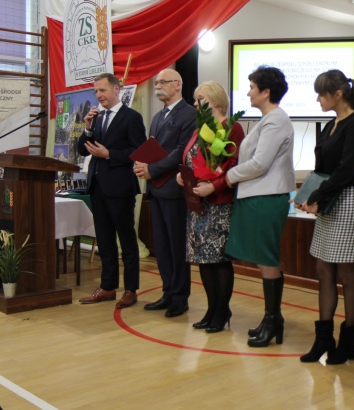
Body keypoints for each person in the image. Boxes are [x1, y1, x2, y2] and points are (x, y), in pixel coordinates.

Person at [297, 70, 354, 364]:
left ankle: (349, 338)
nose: (318, 99)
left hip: (348, 200)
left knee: (347, 274)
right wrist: (307, 195)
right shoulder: (331, 124)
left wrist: (317, 196)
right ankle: (323, 338)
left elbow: (347, 170)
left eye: (321, 94)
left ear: (338, 94)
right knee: (323, 269)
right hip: (329, 199)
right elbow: (322, 169)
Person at [225, 66, 295, 348]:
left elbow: (260, 164)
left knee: (267, 258)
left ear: (266, 92)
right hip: (257, 195)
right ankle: (271, 319)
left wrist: (228, 176)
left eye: (252, 87)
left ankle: (273, 319)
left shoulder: (276, 120)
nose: (248, 93)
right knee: (264, 258)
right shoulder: (267, 119)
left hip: (267, 196)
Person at [176, 81, 245, 333]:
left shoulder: (232, 127)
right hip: (198, 203)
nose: (195, 104)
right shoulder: (201, 128)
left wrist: (213, 186)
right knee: (203, 260)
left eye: (200, 99)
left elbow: (234, 164)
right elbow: (191, 159)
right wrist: (182, 175)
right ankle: (211, 309)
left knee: (218, 260)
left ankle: (222, 310)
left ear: (215, 101)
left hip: (219, 203)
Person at [77, 73, 147, 308]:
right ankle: (108, 287)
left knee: (126, 240)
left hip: (120, 187)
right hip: (97, 187)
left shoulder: (131, 117)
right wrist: (87, 129)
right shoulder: (96, 117)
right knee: (105, 240)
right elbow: (83, 150)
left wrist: (109, 154)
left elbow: (138, 151)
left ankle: (130, 290)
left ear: (116, 89)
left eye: (103, 90)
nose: (98, 95)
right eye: (96, 91)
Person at [133, 69, 196, 318]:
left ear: (177, 84)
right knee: (161, 245)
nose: (158, 86)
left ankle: (180, 297)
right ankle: (168, 292)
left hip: (174, 189)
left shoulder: (189, 114)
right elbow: (154, 147)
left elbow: (181, 151)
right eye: (156, 82)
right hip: (156, 189)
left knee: (176, 246)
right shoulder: (158, 116)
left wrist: (152, 169)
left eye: (163, 82)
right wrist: (142, 164)